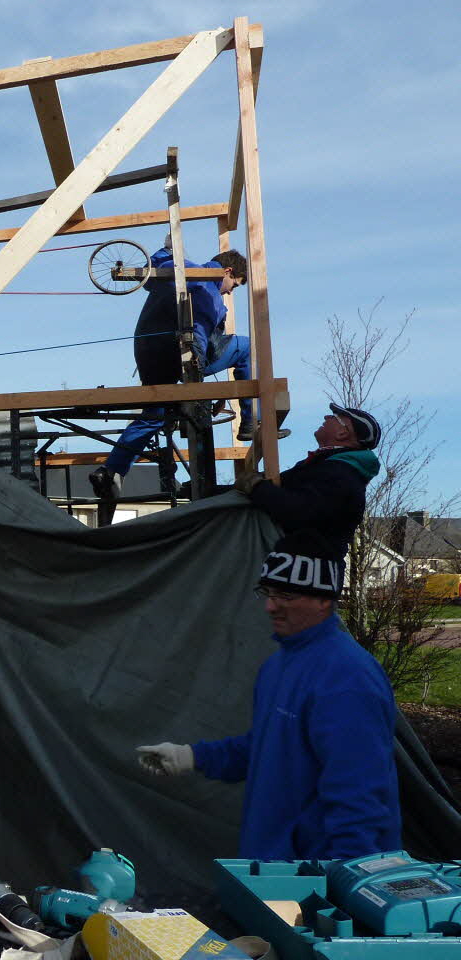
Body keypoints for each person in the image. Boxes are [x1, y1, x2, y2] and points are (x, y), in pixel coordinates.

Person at [135, 529, 400, 860]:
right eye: (268, 592)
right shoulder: (279, 665)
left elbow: (359, 794)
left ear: (324, 599)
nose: (270, 606)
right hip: (274, 869)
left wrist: (344, 879)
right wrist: (192, 756)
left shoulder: (347, 678)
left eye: (286, 595)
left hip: (317, 874)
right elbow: (269, 747)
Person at [90, 247, 250, 499]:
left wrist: (167, 249)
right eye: (235, 284)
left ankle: (110, 470)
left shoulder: (179, 272)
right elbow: (199, 331)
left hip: (148, 353)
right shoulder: (206, 288)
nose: (230, 291)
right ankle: (250, 421)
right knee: (248, 348)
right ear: (227, 271)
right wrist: (198, 379)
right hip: (180, 354)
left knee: (154, 415)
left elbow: (158, 265)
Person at [236, 403, 381, 555]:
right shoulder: (324, 467)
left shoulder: (341, 474)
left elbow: (299, 511)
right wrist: (256, 485)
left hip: (305, 566)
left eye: (335, 417)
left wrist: (256, 486)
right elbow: (281, 489)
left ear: (342, 433)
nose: (327, 417)